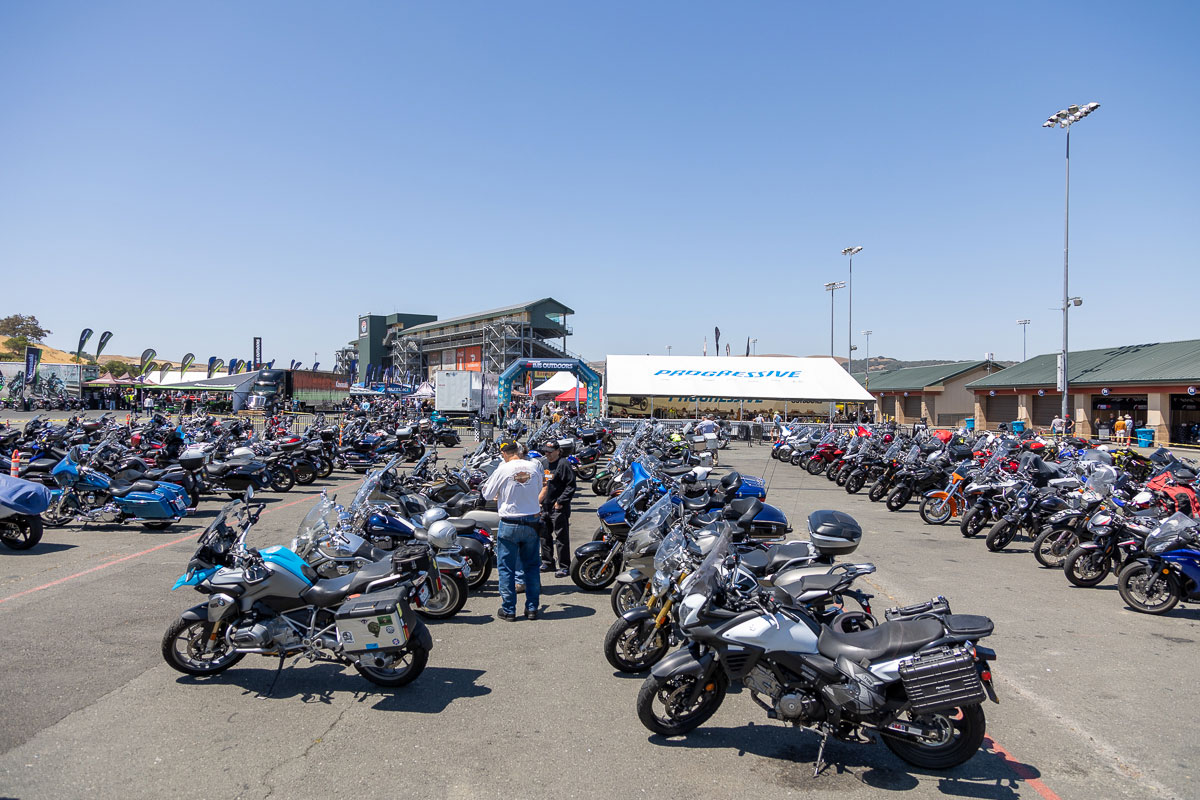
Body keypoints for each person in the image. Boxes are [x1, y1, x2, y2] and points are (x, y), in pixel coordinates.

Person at [479, 441, 544, 621]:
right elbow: (538, 489)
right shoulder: (534, 467)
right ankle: (532, 608)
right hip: (531, 520)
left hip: (510, 522)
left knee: (506, 568)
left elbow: (487, 494)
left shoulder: (503, 469)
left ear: (504, 454)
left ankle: (509, 609)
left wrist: (503, 493)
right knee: (531, 567)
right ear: (518, 451)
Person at [538, 440, 576, 578]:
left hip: (558, 508)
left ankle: (565, 566)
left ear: (557, 451)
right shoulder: (543, 463)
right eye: (545, 451)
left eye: (549, 451)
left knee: (561, 537)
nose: (547, 454)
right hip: (545, 506)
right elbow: (540, 483)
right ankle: (548, 562)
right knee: (544, 535)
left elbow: (571, 486)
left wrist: (561, 502)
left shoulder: (563, 464)